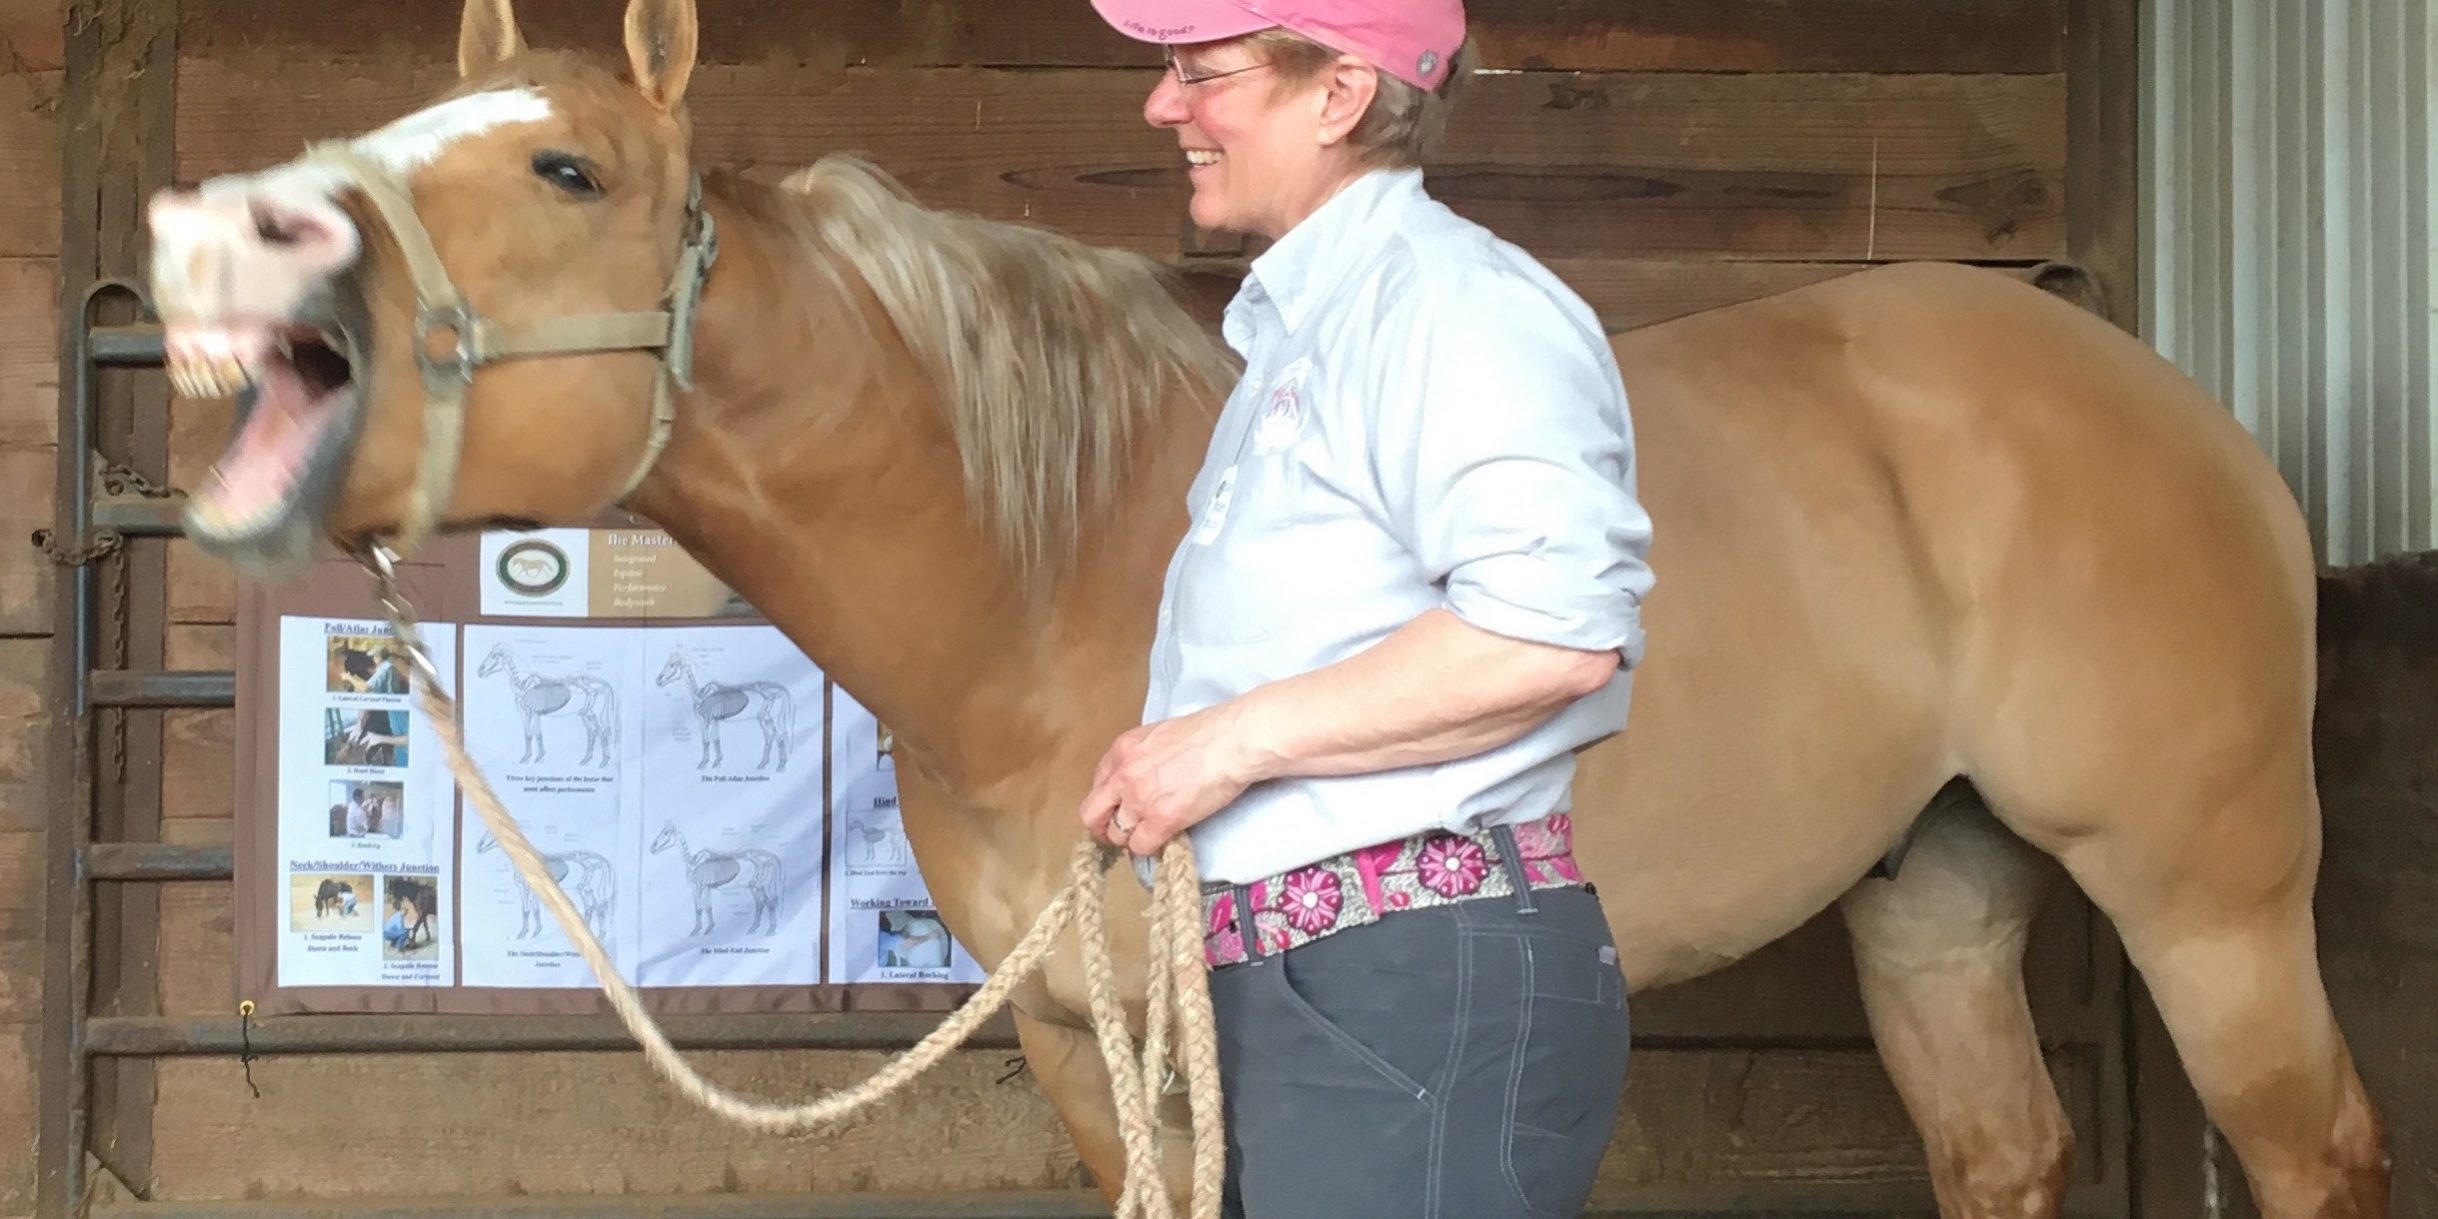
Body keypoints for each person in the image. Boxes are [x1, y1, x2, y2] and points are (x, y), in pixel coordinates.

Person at [1073, 1, 1657, 1215]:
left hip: (1405, 984)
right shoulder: (1316, 327)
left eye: (1201, 71)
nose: (1163, 102)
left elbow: (1549, 634)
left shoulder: (1454, 309)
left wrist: (1222, 743)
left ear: (1337, 95)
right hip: (1330, 981)